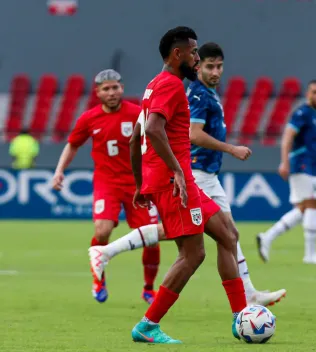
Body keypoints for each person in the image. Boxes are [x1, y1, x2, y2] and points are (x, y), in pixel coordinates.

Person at [89, 42, 286, 307]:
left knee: (225, 235)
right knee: (193, 246)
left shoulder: (199, 92)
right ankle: (112, 258)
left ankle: (246, 296)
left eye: (219, 66)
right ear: (195, 64)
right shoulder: (194, 94)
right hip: (194, 172)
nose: (215, 71)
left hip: (206, 174)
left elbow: (137, 137)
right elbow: (189, 133)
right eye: (207, 65)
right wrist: (230, 149)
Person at [91, 27, 246, 344]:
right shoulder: (171, 86)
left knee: (228, 235)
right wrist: (175, 171)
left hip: (173, 180)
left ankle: (241, 317)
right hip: (175, 183)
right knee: (192, 255)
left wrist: (139, 184)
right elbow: (152, 128)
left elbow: (136, 139)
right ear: (178, 54)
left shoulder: (152, 87)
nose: (197, 58)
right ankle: (148, 325)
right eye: (194, 52)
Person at [52, 69, 161, 304]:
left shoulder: (137, 113)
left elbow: (156, 140)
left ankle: (149, 288)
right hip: (107, 183)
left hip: (138, 184)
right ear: (98, 92)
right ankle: (98, 278)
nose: (111, 93)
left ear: (122, 88)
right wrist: (60, 171)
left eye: (115, 87)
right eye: (106, 89)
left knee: (151, 237)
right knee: (102, 231)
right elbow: (72, 145)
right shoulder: (89, 118)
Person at [256, 80, 316, 265]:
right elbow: (287, 137)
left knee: (302, 209)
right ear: (308, 94)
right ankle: (310, 254)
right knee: (313, 204)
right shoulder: (303, 113)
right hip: (302, 165)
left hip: (310, 166)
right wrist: (284, 163)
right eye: (315, 92)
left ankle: (267, 237)